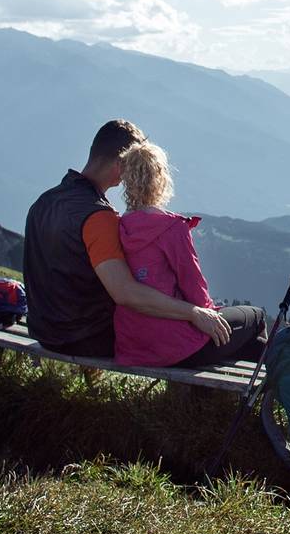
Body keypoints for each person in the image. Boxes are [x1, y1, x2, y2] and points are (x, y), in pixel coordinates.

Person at [22, 119, 233, 358]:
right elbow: (125, 292)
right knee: (229, 329)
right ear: (123, 163)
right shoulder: (98, 217)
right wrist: (193, 312)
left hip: (44, 331)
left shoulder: (44, 202)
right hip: (86, 337)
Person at [113, 140, 269, 367]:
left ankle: (208, 399)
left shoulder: (120, 226)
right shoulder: (170, 228)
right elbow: (194, 287)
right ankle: (254, 397)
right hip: (177, 346)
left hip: (134, 345)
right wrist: (209, 314)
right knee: (255, 317)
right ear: (161, 178)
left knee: (247, 344)